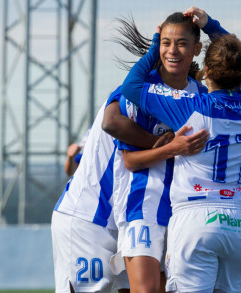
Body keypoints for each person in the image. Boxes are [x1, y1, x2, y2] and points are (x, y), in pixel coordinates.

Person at [120, 6, 241, 293]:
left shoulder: (190, 107)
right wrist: (211, 25)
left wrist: (155, 44)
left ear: (206, 70)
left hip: (197, 218)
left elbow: (131, 86)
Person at [52, 88, 206, 292]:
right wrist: (166, 146)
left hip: (131, 217)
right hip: (90, 216)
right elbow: (81, 167)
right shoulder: (129, 96)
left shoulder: (188, 108)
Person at [105, 12, 209, 293]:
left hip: (186, 212)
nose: (172, 51)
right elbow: (129, 161)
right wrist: (171, 149)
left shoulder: (203, 96)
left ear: (197, 48)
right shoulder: (142, 93)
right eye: (166, 42)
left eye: (182, 43)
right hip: (144, 207)